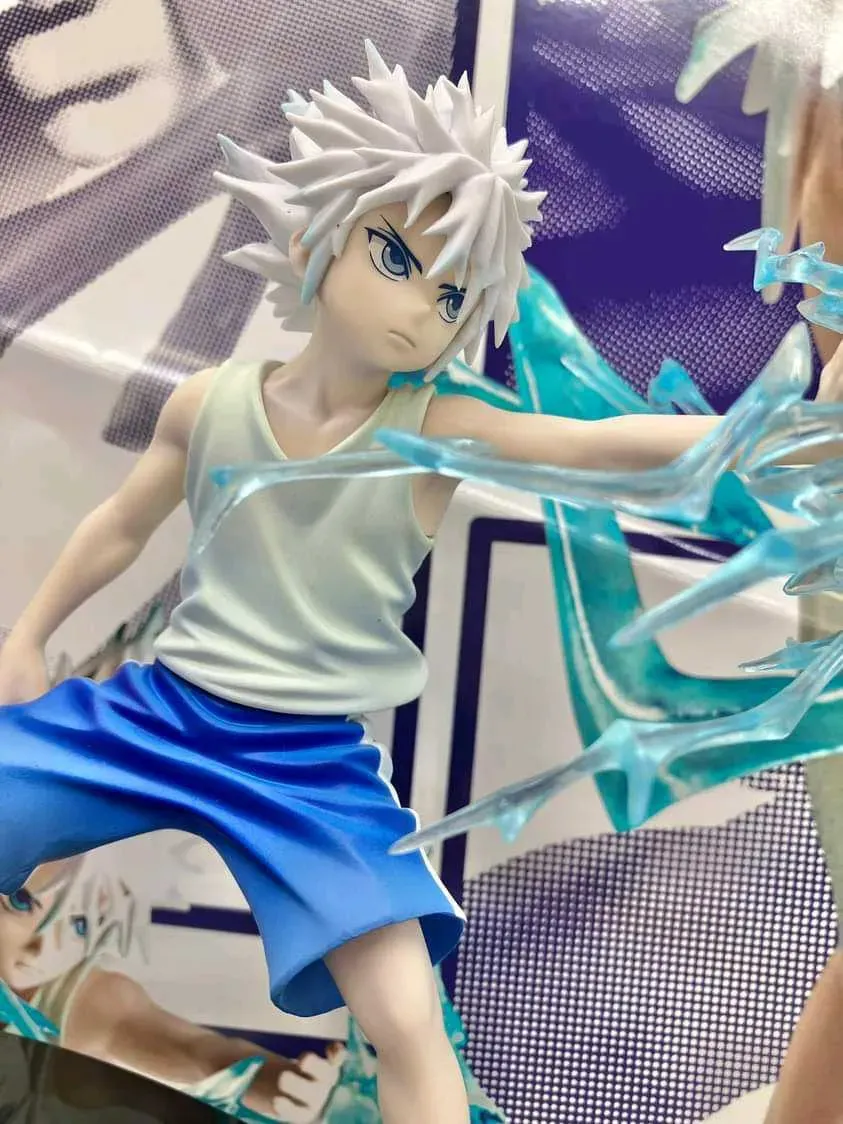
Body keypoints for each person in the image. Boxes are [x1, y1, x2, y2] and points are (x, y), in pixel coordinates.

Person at [0, 41, 747, 1124]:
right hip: (157, 714)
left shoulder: (436, 427)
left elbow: (587, 449)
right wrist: (28, 634)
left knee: (403, 1012)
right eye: (395, 255)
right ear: (314, 234)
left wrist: (752, 430)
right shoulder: (211, 402)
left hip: (303, 762)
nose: (415, 306)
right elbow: (118, 528)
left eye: (451, 292)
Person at [0, 857, 344, 1122]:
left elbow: (196, 1052)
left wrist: (274, 1083)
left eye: (80, 925)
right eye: (21, 902)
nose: (41, 949)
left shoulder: (80, 1001)